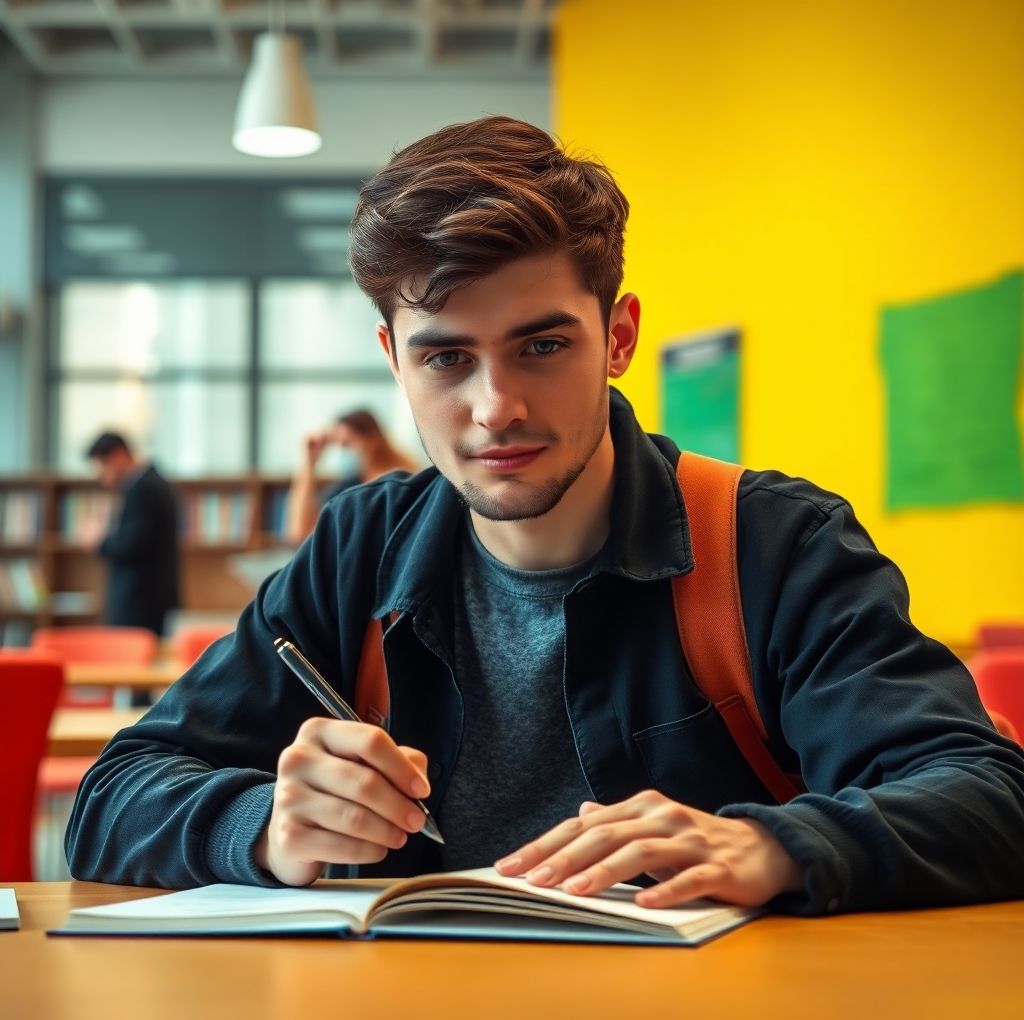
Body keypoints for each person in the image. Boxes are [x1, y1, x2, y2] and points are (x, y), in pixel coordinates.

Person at [66, 118, 1024, 914]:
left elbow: (992, 796)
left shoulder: (775, 544)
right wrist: (265, 827)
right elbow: (110, 800)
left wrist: (772, 846)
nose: (495, 408)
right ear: (393, 358)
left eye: (541, 345)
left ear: (617, 337)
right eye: (446, 358)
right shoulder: (359, 548)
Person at [83, 431, 180, 640]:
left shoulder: (143, 488)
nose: (101, 476)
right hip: (148, 602)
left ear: (119, 455)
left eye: (102, 466)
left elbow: (133, 545)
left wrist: (99, 542)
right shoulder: (152, 484)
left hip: (139, 604)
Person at [285, 409, 418, 544]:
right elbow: (300, 532)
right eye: (337, 444)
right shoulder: (351, 486)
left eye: (347, 443)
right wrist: (309, 463)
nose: (342, 452)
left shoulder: (407, 481)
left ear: (372, 439)